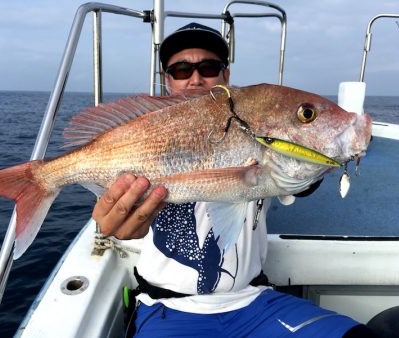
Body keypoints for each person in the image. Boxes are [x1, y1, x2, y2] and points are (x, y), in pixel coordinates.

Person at [92, 23, 378, 338]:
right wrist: (118, 228)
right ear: (166, 79)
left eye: (209, 67)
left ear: (226, 76)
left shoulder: (253, 118)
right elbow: (114, 219)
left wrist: (333, 151)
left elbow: (300, 178)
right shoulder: (143, 133)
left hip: (254, 302)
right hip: (167, 308)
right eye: (181, 70)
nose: (196, 78)